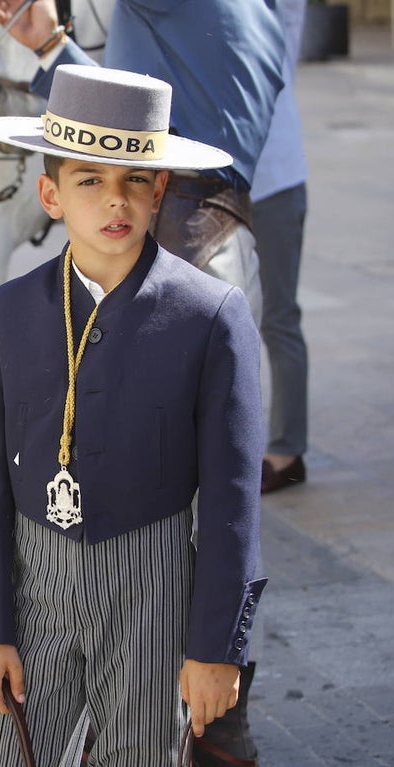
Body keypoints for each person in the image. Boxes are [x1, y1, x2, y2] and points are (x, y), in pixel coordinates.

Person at [0, 65, 267, 766]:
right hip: (33, 576)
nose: (114, 200)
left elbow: (231, 501)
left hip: (151, 579)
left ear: (160, 191)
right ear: (51, 194)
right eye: (89, 180)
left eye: (134, 180)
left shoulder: (210, 316)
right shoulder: (9, 309)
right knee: (14, 754)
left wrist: (218, 647)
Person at [0, 0, 286, 329]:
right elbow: (127, 115)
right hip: (219, 237)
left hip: (166, 244)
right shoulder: (265, 11)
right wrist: (49, 46)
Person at [254, 0, 310, 495]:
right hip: (213, 183)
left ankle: (288, 449)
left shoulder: (279, 16)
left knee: (279, 317)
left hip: (275, 181)